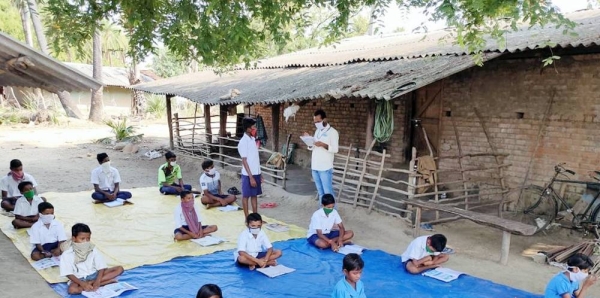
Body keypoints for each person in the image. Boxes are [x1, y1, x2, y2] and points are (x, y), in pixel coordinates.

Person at [59, 223, 124, 295]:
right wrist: (82, 283)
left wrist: (98, 281)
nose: (86, 242)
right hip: (79, 278)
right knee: (72, 290)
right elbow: (68, 273)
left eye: (88, 239)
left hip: (94, 274)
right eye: (82, 239)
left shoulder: (92, 249)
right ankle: (104, 282)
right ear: (74, 239)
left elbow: (101, 267)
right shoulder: (67, 254)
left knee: (119, 269)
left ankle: (92, 283)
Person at [303, 109, 339, 205]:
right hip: (315, 166)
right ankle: (322, 212)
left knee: (328, 193)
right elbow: (313, 146)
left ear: (324, 119)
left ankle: (332, 214)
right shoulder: (317, 131)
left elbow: (335, 149)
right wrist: (309, 140)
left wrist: (324, 145)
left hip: (325, 167)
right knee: (320, 192)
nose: (317, 124)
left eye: (318, 121)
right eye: (315, 122)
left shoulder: (333, 132)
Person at [237, 118, 263, 218]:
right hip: (248, 174)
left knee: (254, 195)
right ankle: (247, 218)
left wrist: (260, 174)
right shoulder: (243, 142)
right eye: (253, 127)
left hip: (255, 172)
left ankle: (255, 216)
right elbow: (244, 160)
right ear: (248, 129)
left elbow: (255, 159)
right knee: (246, 195)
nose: (255, 128)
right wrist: (251, 177)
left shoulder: (252, 139)